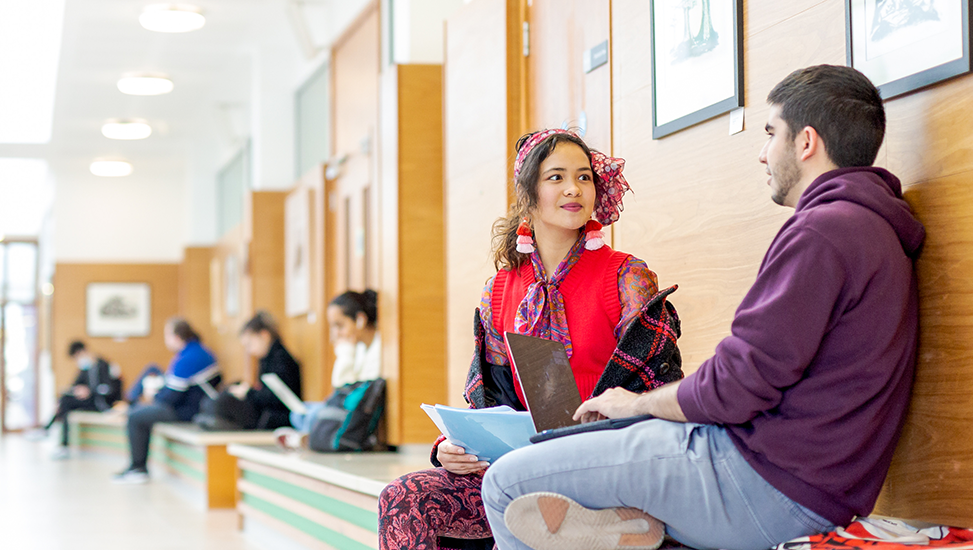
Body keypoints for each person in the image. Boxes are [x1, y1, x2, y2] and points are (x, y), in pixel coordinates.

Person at [480, 65, 925, 550]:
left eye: (771, 133)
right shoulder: (873, 227)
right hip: (804, 481)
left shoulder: (824, 232)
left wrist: (637, 404)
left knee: (505, 484)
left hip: (760, 481)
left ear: (806, 142)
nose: (762, 153)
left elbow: (735, 385)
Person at [378, 128, 685, 550]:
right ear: (528, 193)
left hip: (604, 464)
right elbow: (487, 404)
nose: (574, 188)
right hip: (516, 466)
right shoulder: (500, 289)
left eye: (584, 177)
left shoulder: (627, 277)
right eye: (556, 177)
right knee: (405, 498)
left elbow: (659, 391)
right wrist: (451, 448)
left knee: (540, 509)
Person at [111, 318, 220, 483]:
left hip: (188, 411)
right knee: (152, 369)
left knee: (135, 416)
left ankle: (138, 468)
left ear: (176, 337)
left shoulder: (189, 357)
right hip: (186, 402)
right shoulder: (194, 350)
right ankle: (130, 402)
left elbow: (171, 398)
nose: (166, 340)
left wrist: (153, 398)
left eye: (167, 336)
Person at [283, 290, 382, 435]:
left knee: (312, 416)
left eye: (340, 326)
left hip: (355, 415)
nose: (335, 334)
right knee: (300, 412)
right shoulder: (360, 348)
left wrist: (346, 354)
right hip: (346, 410)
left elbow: (345, 393)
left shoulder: (379, 350)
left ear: (360, 320)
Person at [211, 311, 304, 430]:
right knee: (226, 393)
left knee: (224, 402)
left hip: (278, 415)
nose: (250, 350)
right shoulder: (267, 358)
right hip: (268, 410)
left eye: (250, 344)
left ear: (264, 335)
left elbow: (276, 398)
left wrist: (248, 393)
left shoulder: (281, 359)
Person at [40, 341, 122, 455]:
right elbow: (75, 386)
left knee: (65, 403)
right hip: (89, 401)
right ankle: (55, 436)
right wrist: (73, 391)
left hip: (100, 403)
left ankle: (50, 432)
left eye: (77, 356)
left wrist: (90, 391)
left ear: (82, 352)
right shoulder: (85, 369)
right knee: (65, 400)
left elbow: (110, 389)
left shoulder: (103, 365)